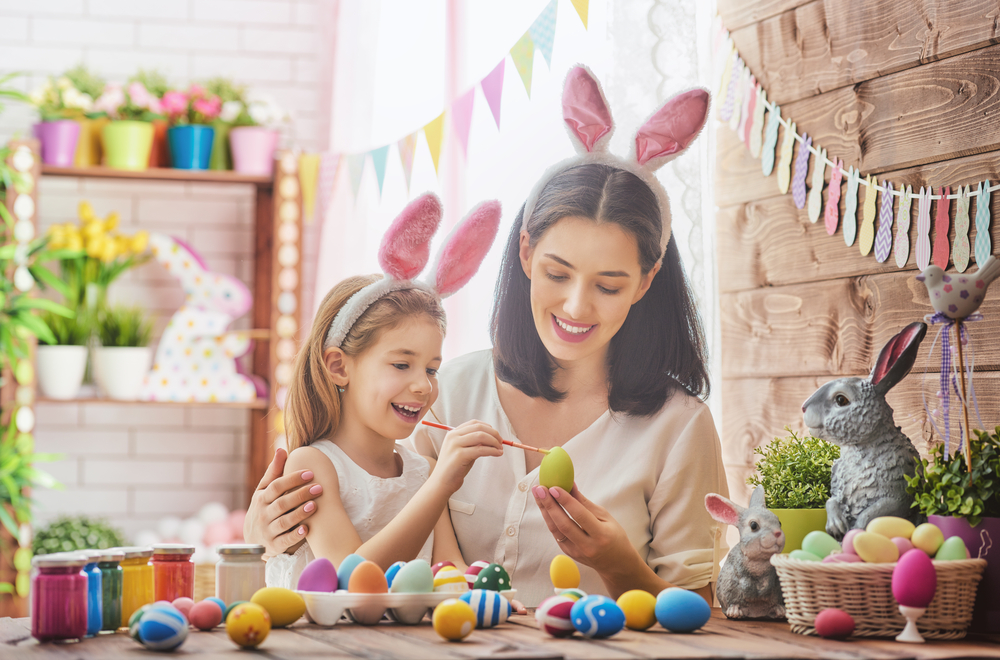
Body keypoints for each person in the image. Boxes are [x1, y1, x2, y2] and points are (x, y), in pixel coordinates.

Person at [247, 66, 729, 607]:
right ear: (525, 252)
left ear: (645, 280)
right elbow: (364, 514)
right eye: (556, 273)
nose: (575, 306)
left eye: (608, 286)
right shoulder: (444, 392)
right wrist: (270, 531)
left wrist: (618, 565)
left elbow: (702, 609)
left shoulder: (678, 426)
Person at [264, 195, 506, 589]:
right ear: (339, 366)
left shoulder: (423, 471)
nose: (422, 385)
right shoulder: (312, 465)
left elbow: (450, 570)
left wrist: (484, 596)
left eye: (431, 369)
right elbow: (352, 579)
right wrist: (442, 483)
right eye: (401, 364)